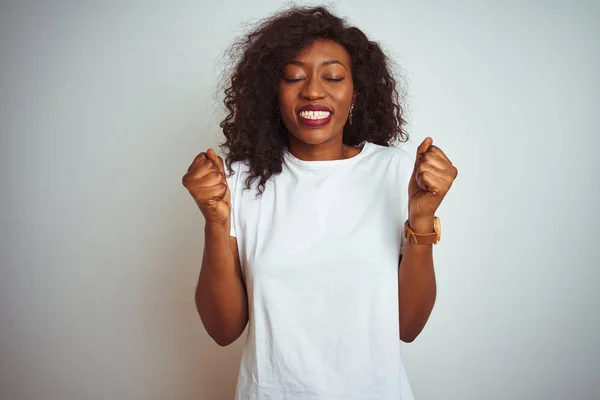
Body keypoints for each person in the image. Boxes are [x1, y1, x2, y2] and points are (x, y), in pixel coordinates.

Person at [182, 6, 458, 400]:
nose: (313, 90)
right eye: (294, 77)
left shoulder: (397, 172)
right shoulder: (238, 181)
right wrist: (213, 223)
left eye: (333, 76)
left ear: (356, 91)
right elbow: (223, 330)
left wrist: (423, 217)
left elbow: (408, 327)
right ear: (271, 92)